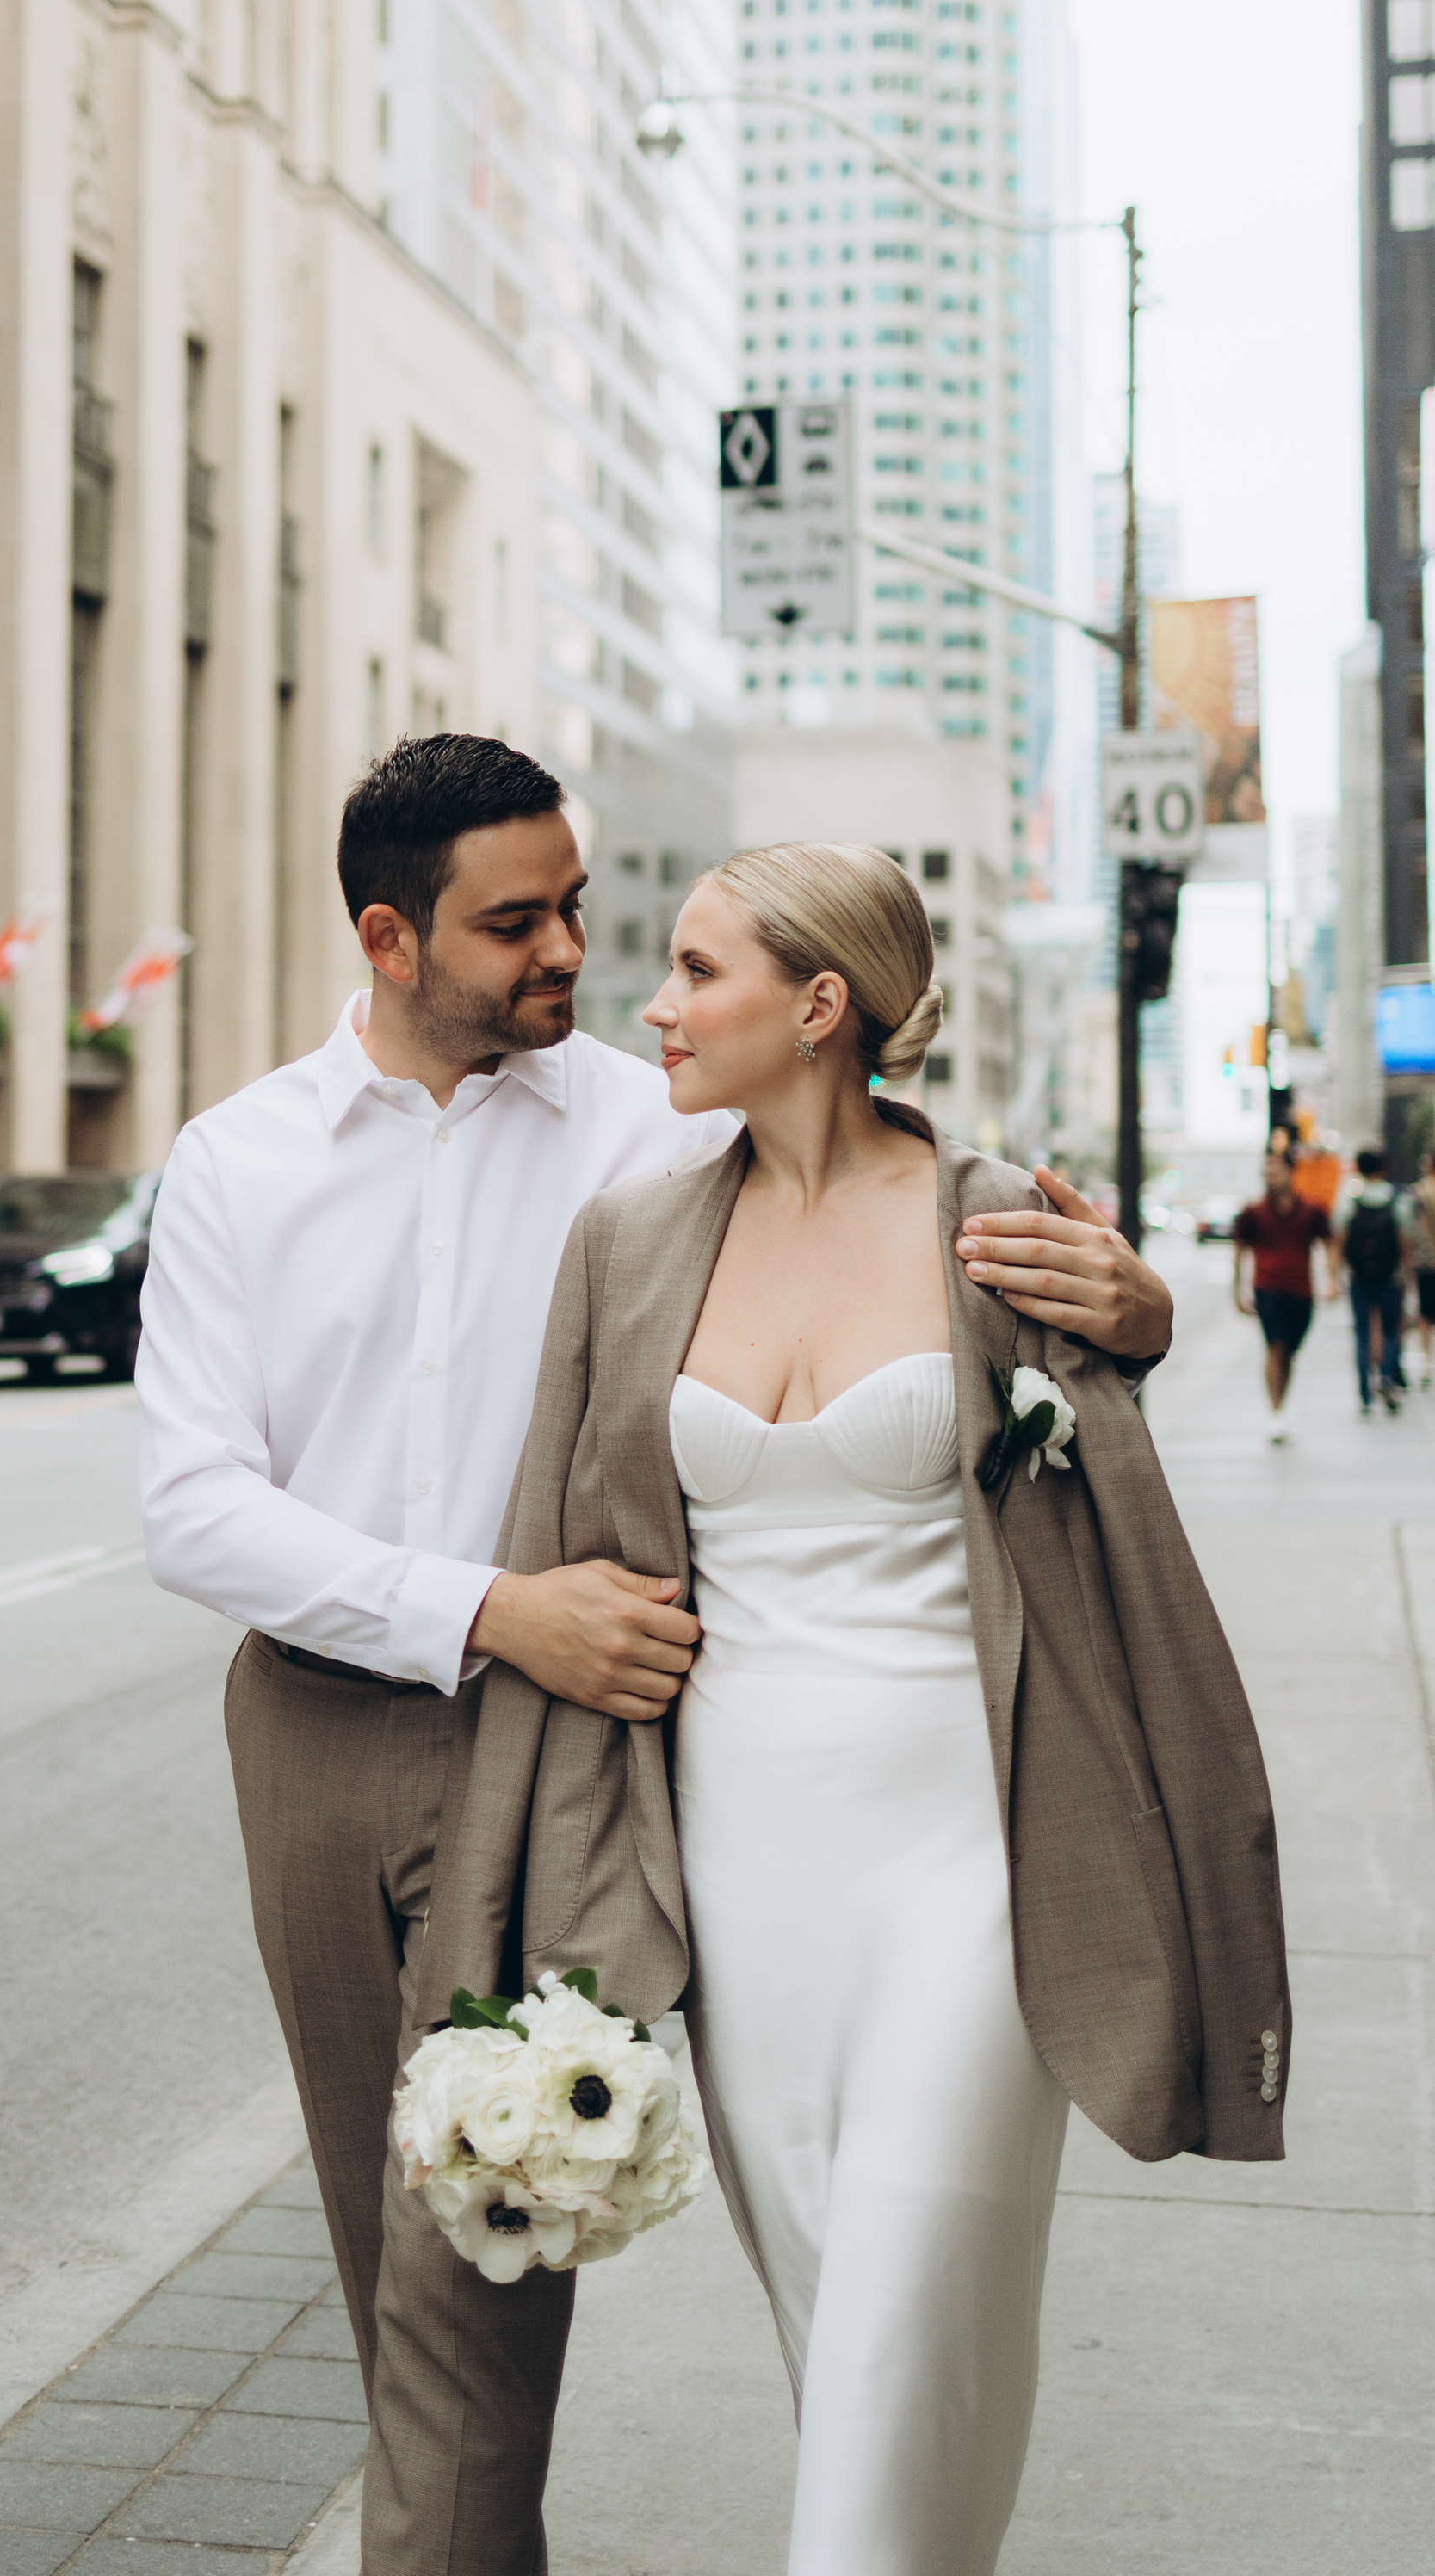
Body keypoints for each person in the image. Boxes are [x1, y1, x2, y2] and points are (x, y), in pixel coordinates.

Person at [136, 742, 1177, 2576]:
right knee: (390, 2257)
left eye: (581, 908)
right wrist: (476, 1603)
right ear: (389, 938)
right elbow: (194, 1508)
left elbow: (896, 1186)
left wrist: (1138, 1305)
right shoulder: (237, 1164)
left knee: (477, 2264)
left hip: (567, 1748)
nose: (572, 954)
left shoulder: (657, 1123)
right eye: (515, 921)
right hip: (313, 1744)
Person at [417, 840, 1284, 2576]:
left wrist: (1148, 1312)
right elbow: (553, 1543)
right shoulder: (628, 1240)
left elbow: (1106, 1441)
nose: (649, 1003)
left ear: (819, 1007)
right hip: (739, 1873)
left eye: (692, 971)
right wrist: (513, 1929)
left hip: (974, 1857)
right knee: (856, 2337)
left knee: (902, 2305)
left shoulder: (991, 1218)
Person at [1232, 1140, 1336, 1442]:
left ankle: (1281, 1406)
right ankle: (1276, 1411)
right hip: (1267, 1288)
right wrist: (1237, 1293)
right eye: (1266, 1172)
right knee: (1276, 1346)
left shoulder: (1311, 1210)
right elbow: (1239, 1253)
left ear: (1292, 1172)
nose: (1270, 1177)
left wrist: (1331, 1280)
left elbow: (1330, 1242)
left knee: (1289, 1351)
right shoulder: (1253, 1212)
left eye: (1276, 1171)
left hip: (1302, 1291)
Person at [1340, 1145, 1410, 1415]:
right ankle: (1387, 1377)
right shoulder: (1397, 1199)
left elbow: (1340, 1238)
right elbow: (1405, 1241)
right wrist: (1407, 1272)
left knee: (1361, 1333)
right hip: (1390, 1277)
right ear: (1383, 1167)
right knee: (1391, 1331)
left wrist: (1336, 1274)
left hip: (1359, 1277)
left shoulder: (1349, 1200)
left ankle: (1364, 1393)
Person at [1410, 1147, 1435, 1387]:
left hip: (1427, 1260)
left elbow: (1416, 1227)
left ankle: (1427, 1361)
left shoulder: (1418, 1192)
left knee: (1425, 1313)